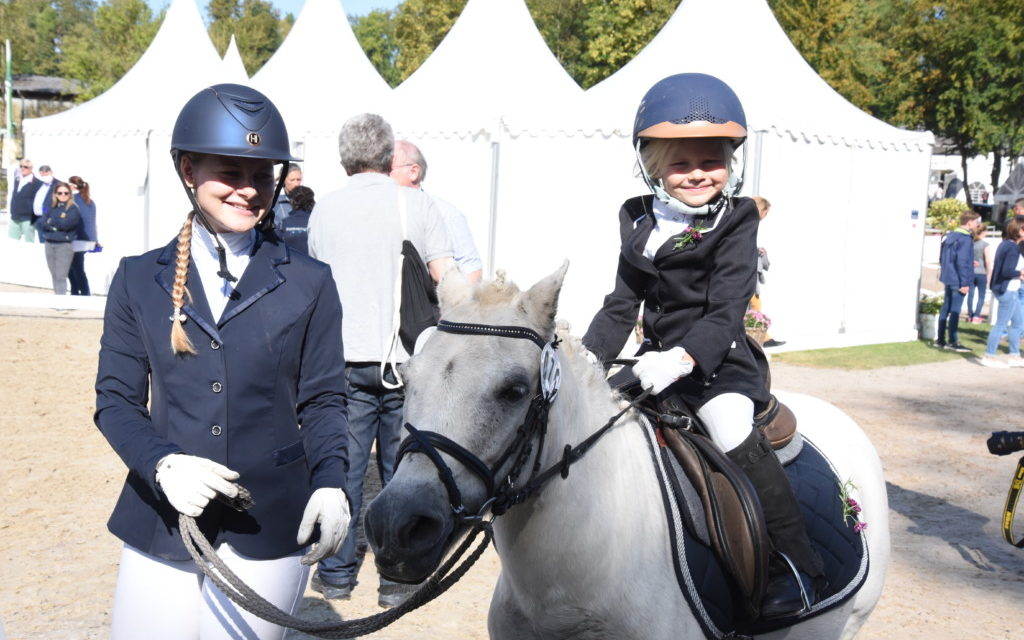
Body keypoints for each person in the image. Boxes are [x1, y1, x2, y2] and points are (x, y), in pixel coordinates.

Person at [93, 84, 352, 640]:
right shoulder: (138, 278)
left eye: (262, 175)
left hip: (270, 520)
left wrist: (332, 482)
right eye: (230, 172)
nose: (248, 190)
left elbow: (325, 399)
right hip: (162, 514)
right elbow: (114, 400)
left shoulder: (311, 281)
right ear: (188, 169)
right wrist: (161, 463)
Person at [582, 73, 825, 619]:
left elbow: (726, 309)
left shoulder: (736, 219)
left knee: (732, 430)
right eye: (680, 162)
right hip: (654, 365)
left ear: (730, 162)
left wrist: (683, 359)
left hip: (718, 367)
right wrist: (584, 363)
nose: (697, 174)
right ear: (654, 165)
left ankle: (792, 564)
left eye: (710, 160)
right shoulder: (638, 217)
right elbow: (622, 305)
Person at [307, 113, 453, 608]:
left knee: (343, 471)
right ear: (390, 154)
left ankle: (336, 577)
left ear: (344, 156)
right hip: (406, 358)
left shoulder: (324, 209)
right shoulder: (415, 203)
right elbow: (444, 278)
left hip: (342, 360)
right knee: (402, 475)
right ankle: (397, 580)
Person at [391, 139, 484, 283]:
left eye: (388, 169)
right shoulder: (377, 212)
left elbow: (472, 271)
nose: (380, 176)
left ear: (414, 172)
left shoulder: (447, 214)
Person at [980, 218, 1024, 368]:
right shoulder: (1013, 248)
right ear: (1019, 231)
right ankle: (989, 355)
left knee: (1018, 322)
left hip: (1009, 288)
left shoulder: (1005, 244)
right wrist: (1020, 273)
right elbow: (1006, 271)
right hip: (1008, 289)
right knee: (1001, 324)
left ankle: (1014, 354)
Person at [936, 210, 982, 351]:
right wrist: (965, 283)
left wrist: (969, 261)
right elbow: (961, 262)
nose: (977, 224)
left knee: (946, 308)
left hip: (948, 276)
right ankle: (953, 341)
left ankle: (941, 340)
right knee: (955, 310)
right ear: (969, 222)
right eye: (976, 222)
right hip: (958, 279)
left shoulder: (949, 235)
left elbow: (945, 258)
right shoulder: (965, 238)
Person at [750, 195, 784, 348]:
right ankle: (761, 339)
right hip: (746, 276)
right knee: (755, 307)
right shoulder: (749, 224)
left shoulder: (750, 224)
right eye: (766, 212)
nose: (766, 216)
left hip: (748, 275)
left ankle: (763, 338)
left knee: (755, 305)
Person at [39, 182, 80, 295]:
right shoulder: (51, 207)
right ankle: (57, 299)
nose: (63, 195)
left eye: (66, 193)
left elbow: (68, 224)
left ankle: (61, 303)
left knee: (61, 275)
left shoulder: (73, 209)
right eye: (60, 193)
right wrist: (55, 224)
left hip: (64, 245)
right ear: (55, 194)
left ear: (70, 194)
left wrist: (52, 223)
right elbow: (43, 223)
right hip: (49, 243)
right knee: (54, 274)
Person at [67, 175, 99, 296]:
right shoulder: (89, 201)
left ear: (72, 186)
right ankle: (77, 292)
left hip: (77, 239)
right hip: (88, 239)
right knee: (75, 267)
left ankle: (83, 293)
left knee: (76, 269)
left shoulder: (72, 201)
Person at [8, 158, 41, 241]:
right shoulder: (17, 180)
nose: (22, 168)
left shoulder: (37, 183)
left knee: (28, 244)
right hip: (15, 217)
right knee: (11, 242)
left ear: (31, 169)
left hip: (28, 218)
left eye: (25, 167)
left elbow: (41, 201)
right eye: (21, 166)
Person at [967, 225, 993, 323]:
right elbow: (988, 260)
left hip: (971, 272)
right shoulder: (985, 244)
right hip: (981, 272)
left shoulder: (971, 243)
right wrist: (989, 272)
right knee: (981, 296)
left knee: (971, 294)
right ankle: (976, 315)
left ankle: (970, 314)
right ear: (982, 232)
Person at [278, 184, 314, 255]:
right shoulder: (316, 222)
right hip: (313, 264)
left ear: (292, 202)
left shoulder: (284, 223)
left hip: (291, 264)